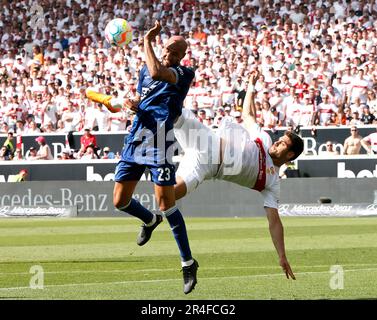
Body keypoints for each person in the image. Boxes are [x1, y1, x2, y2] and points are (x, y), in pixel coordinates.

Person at [87, 70, 303, 285]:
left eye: (282, 143)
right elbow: (249, 115)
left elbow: (274, 222)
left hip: (205, 168)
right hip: (206, 139)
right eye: (280, 139)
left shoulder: (272, 183)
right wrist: (251, 85)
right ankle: (118, 102)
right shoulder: (264, 140)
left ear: (290, 154)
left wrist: (282, 255)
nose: (276, 142)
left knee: (167, 199)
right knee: (170, 107)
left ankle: (152, 220)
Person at [86, 21, 197, 294]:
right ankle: (149, 221)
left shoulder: (183, 73)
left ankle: (188, 263)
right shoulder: (143, 72)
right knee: (119, 201)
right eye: (167, 46)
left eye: (175, 49)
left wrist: (146, 39)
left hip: (160, 141)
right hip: (136, 138)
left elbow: (159, 72)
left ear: (181, 55)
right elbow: (144, 96)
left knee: (166, 203)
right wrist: (132, 104)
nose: (169, 50)